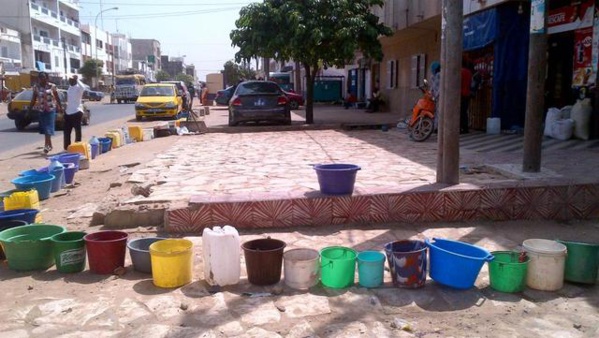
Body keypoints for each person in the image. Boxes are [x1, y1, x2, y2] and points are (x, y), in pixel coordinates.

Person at [28, 72, 64, 154]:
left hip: (51, 109)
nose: (41, 79)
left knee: (48, 127)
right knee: (45, 128)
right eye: (40, 77)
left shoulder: (52, 86)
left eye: (43, 77)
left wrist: (60, 107)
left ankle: (46, 146)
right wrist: (29, 109)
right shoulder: (36, 87)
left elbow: (57, 97)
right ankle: (50, 144)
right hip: (41, 109)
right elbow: (33, 99)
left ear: (46, 78)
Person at [64, 75, 85, 150]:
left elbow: (83, 87)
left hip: (76, 111)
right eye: (69, 79)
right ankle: (67, 148)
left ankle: (77, 146)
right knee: (67, 132)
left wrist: (78, 80)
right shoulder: (70, 88)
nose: (69, 81)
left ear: (75, 80)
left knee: (77, 131)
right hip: (68, 112)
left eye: (71, 79)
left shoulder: (78, 88)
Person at [460, 60, 473, 134]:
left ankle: (461, 128)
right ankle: (465, 128)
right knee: (464, 111)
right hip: (467, 94)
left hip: (460, 94)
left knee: (460, 112)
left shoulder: (460, 72)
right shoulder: (469, 72)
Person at [430, 61, 441, 131]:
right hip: (435, 97)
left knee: (439, 112)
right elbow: (432, 86)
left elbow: (441, 87)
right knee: (436, 112)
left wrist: (436, 95)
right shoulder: (433, 76)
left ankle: (437, 127)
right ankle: (435, 127)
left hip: (439, 97)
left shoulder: (440, 75)